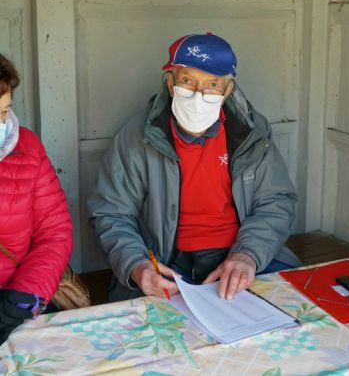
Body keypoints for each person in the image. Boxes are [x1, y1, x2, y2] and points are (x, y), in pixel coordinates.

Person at [88, 33, 300, 302]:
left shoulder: (251, 133)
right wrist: (137, 266)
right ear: (170, 83)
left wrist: (248, 254)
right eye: (188, 81)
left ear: (227, 91)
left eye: (212, 85)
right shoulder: (136, 137)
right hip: (167, 263)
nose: (198, 96)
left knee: (292, 311)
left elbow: (276, 201)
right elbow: (111, 213)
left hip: (239, 254)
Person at [0, 54, 73, 345]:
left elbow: (55, 232)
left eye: (4, 111)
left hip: (18, 302)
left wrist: (21, 299)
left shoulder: (26, 146)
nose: (2, 124)